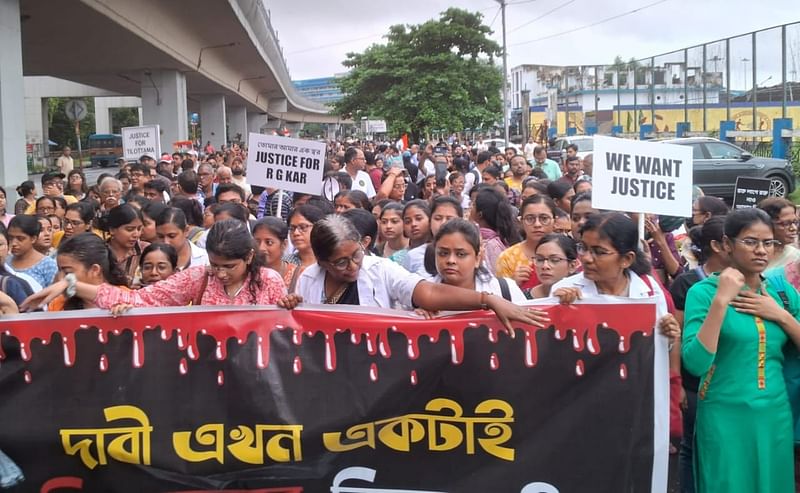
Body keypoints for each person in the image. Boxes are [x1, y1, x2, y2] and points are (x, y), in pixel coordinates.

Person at [683, 208, 800, 493]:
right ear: (726, 245)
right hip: (724, 414)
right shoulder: (703, 293)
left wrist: (781, 316)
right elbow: (696, 363)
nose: (761, 250)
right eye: (750, 241)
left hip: (775, 414)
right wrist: (721, 301)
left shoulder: (781, 292)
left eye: (768, 242)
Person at [281, 215, 549, 334]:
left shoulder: (381, 269)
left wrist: (488, 300)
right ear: (323, 262)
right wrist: (289, 308)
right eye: (341, 263)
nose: (353, 266)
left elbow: (429, 292)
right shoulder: (307, 279)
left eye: (357, 255)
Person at [23, 220, 287, 311]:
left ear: (249, 257)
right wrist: (70, 284)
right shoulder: (199, 278)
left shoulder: (270, 281)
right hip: (207, 374)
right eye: (214, 264)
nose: (219, 273)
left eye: (229, 267)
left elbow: (287, 332)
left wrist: (290, 307)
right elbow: (140, 300)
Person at [668, 217, 729, 493]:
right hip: (694, 383)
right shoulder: (687, 284)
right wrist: (677, 382)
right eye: (737, 240)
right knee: (691, 447)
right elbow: (677, 335)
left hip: (728, 384)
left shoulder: (750, 285)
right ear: (718, 246)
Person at [424, 219, 526, 304]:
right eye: (443, 253)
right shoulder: (422, 295)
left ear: (477, 258)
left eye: (460, 254)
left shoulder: (505, 290)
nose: (451, 261)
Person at [46, 233, 129, 310]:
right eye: (59, 271)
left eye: (68, 272)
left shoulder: (126, 298)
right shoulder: (58, 305)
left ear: (95, 270)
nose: (61, 279)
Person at [496, 195, 557, 294]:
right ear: (521, 222)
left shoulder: (566, 252)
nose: (537, 224)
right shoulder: (507, 258)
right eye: (530, 219)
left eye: (544, 218)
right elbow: (501, 298)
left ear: (555, 221)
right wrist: (512, 284)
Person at [470, 186, 521, 276]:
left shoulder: (490, 245)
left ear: (480, 214)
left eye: (473, 205)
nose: (470, 209)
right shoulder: (500, 237)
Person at [4, 215, 58, 291]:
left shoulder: (48, 265)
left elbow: (54, 295)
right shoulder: (5, 261)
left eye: (20, 239)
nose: (14, 243)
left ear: (33, 239)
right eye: (10, 238)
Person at [102, 204, 148, 288]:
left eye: (139, 229)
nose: (136, 234)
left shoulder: (146, 250)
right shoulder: (99, 252)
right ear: (112, 230)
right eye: (130, 229)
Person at [286, 205, 325, 292]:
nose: (296, 233)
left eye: (303, 227)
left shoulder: (328, 263)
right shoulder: (285, 263)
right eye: (292, 228)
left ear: (318, 227)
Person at [529, 233, 580, 299]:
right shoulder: (521, 297)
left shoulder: (584, 298)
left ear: (572, 266)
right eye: (539, 259)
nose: (545, 266)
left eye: (554, 260)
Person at [252, 217, 296, 287]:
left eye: (269, 242)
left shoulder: (296, 274)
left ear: (284, 244)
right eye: (257, 242)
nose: (261, 248)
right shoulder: (247, 273)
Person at [758, 198, 800, 269]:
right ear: (766, 224)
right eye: (786, 223)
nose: (794, 228)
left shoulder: (796, 258)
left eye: (795, 222)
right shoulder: (749, 255)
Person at [400, 200, 432, 275]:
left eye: (418, 219)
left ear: (430, 220)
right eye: (408, 221)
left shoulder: (439, 252)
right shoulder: (397, 258)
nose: (413, 224)